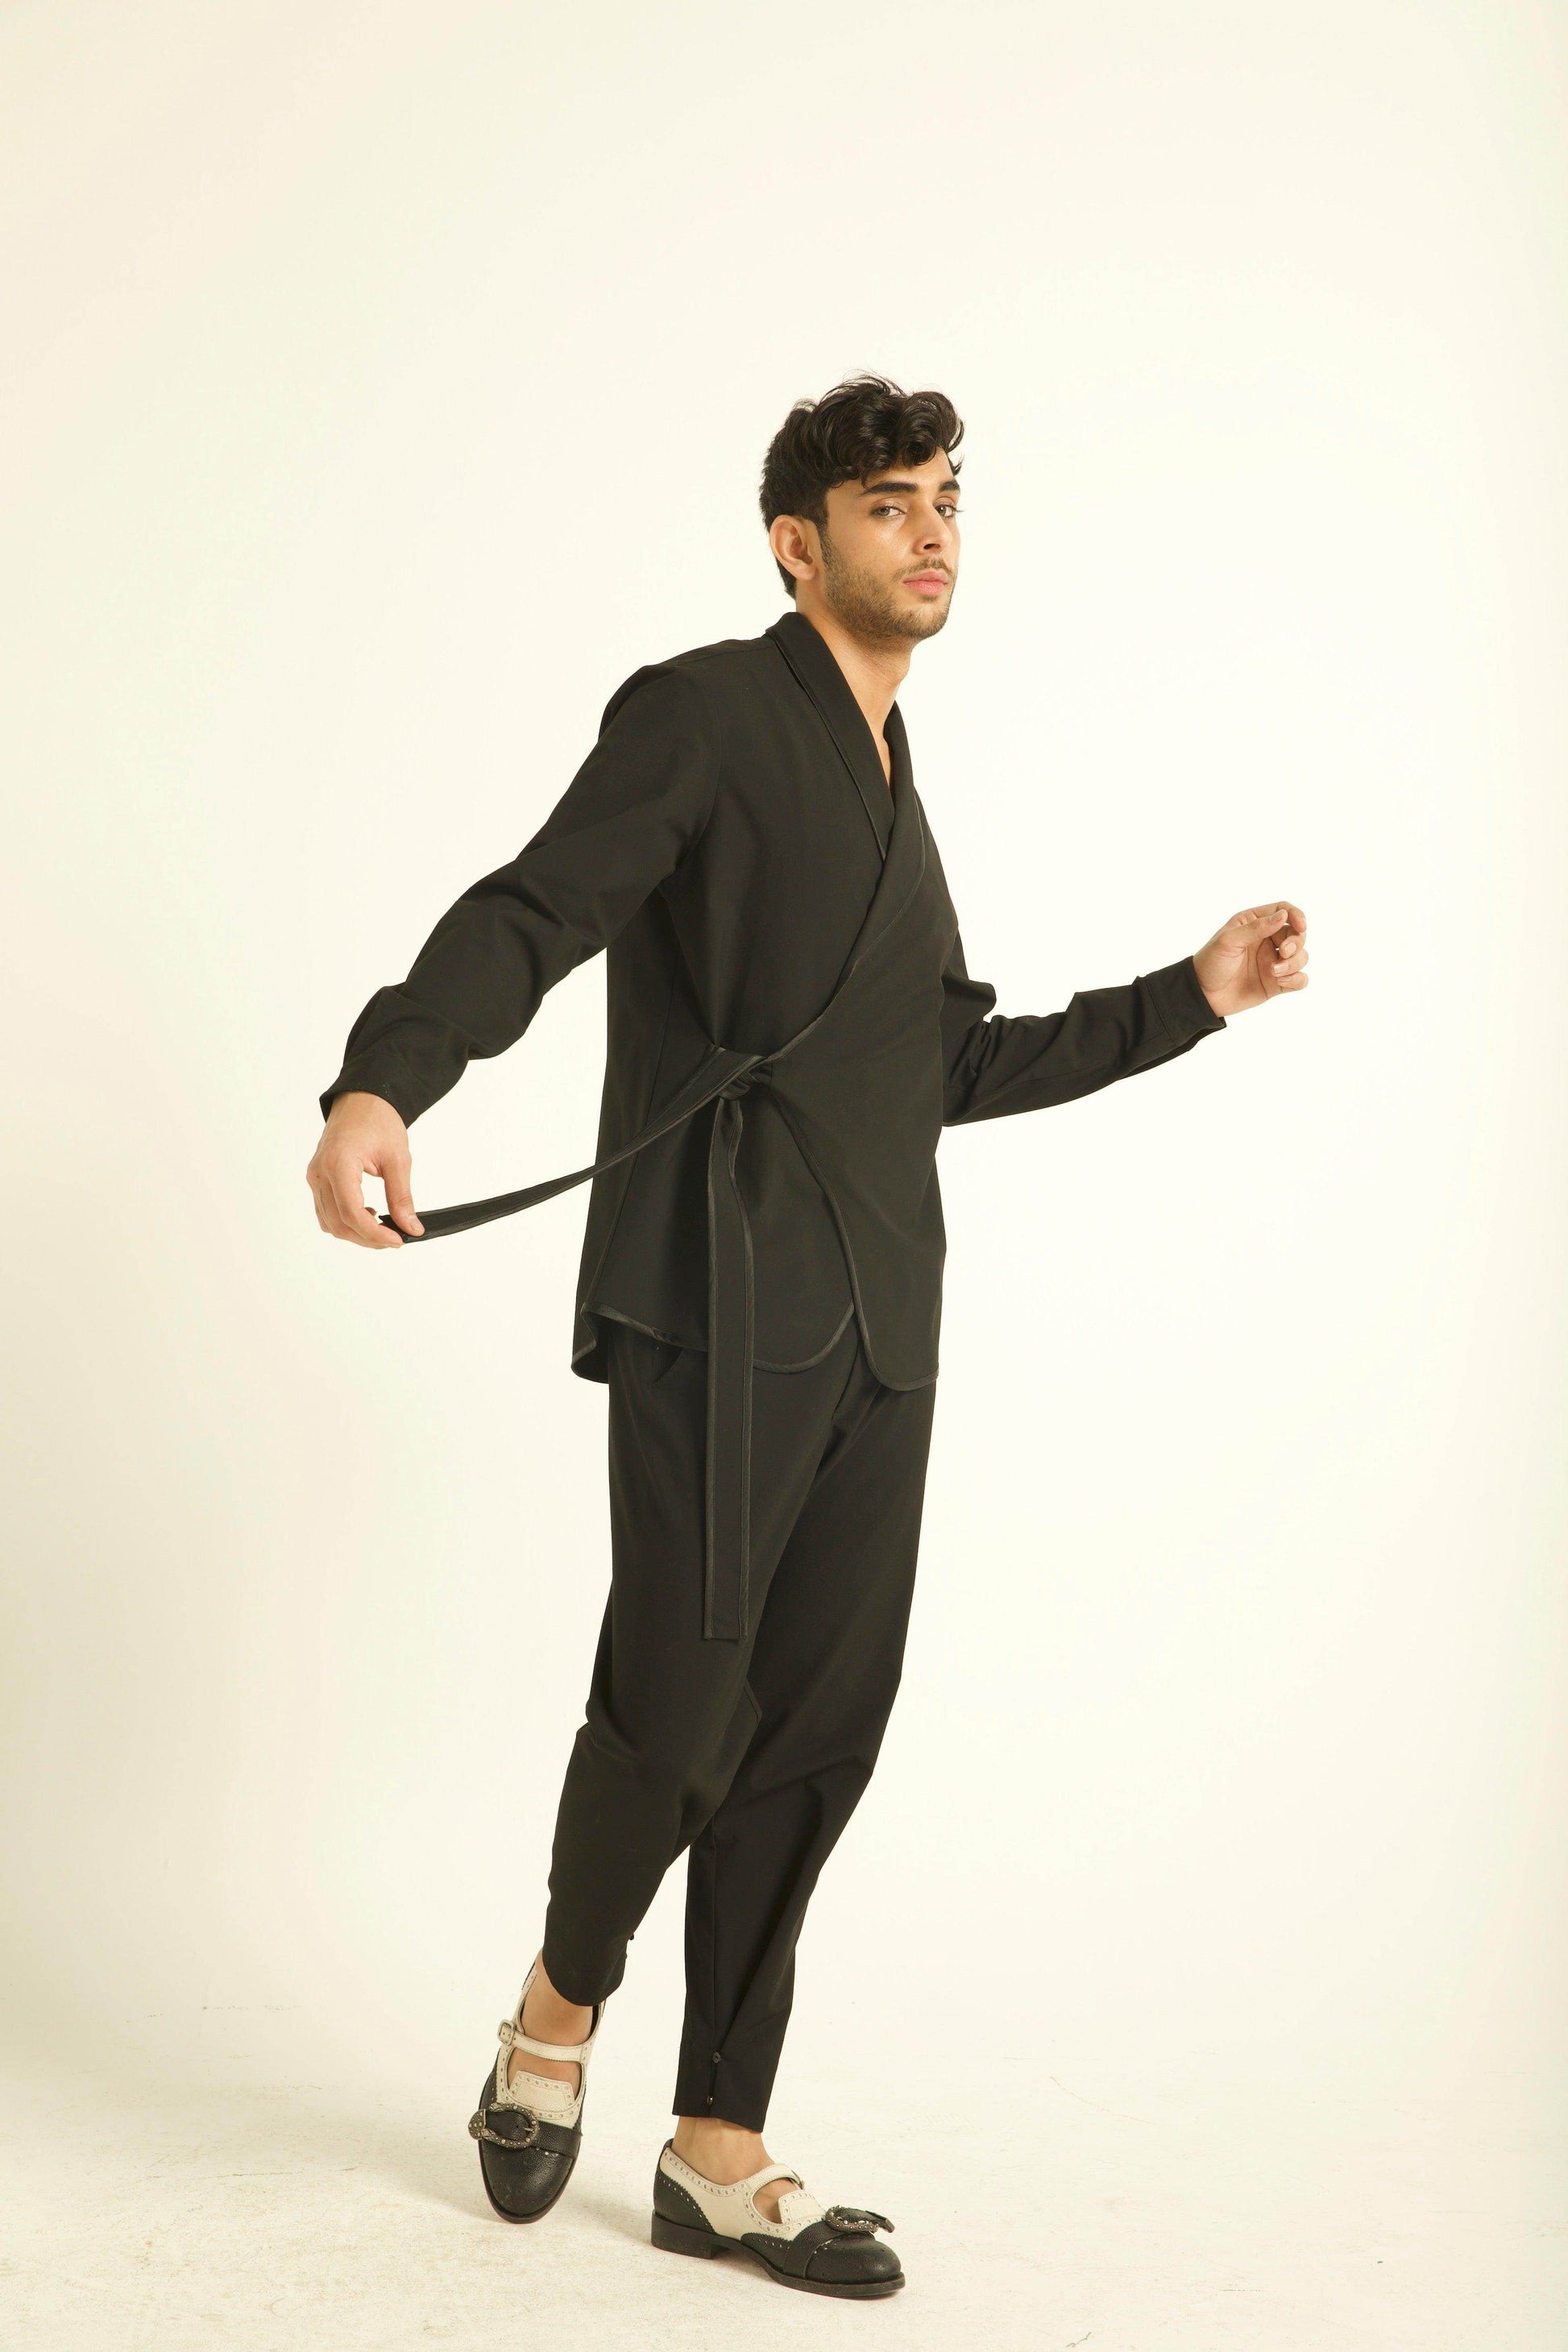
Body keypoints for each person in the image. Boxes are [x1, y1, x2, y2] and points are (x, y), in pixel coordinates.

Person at [307, 375, 1308, 2301]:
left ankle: (717, 2139)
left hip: (879, 1328)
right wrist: (383, 1080)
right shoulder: (699, 714)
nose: (930, 532)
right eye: (885, 503)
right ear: (797, 544)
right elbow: (535, 909)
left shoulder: (893, 778)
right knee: (676, 1710)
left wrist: (1184, 998)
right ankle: (554, 2008)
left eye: (946, 499)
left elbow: (936, 1063)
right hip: (715, 1295)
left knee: (815, 1733)